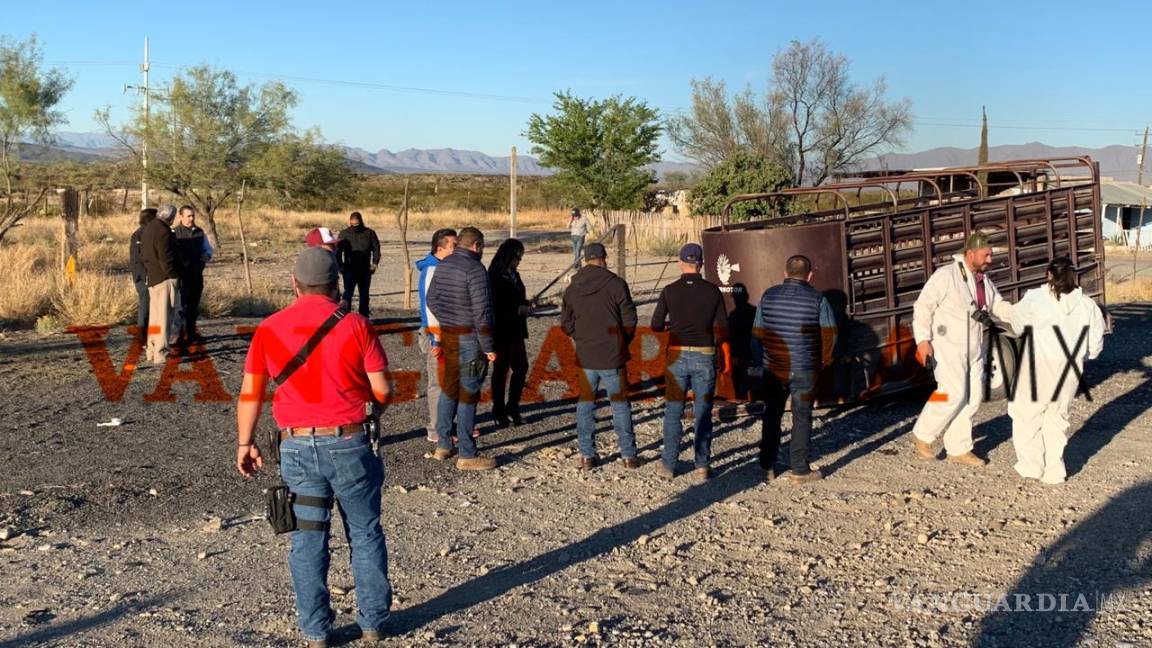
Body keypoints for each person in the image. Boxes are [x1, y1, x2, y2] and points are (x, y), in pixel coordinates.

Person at [235, 247, 393, 647]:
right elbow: (383, 389)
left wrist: (245, 442)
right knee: (365, 531)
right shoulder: (356, 324)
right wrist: (371, 411)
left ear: (294, 284)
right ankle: (372, 623)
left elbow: (251, 394)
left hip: (297, 448)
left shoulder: (269, 328)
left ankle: (316, 631)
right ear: (337, 285)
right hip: (349, 442)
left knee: (307, 538)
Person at [1000, 257, 1105, 484]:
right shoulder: (1088, 305)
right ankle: (1054, 471)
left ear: (1048, 275)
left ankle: (1031, 466)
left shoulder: (1035, 298)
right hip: (1069, 369)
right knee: (1057, 418)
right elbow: (1095, 346)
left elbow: (1018, 326)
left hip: (1037, 365)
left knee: (1027, 415)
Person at [911, 231, 1004, 467]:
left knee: (973, 398)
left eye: (991, 255)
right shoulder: (946, 275)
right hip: (946, 346)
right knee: (950, 392)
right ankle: (923, 434)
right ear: (970, 253)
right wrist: (923, 340)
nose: (990, 260)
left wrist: (1023, 316)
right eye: (986, 255)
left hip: (973, 347)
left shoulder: (983, 279)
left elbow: (996, 305)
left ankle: (958, 447)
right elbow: (923, 306)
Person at [750, 255, 838, 484]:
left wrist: (758, 362)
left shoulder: (768, 295)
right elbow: (829, 335)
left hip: (774, 368)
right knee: (802, 416)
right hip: (805, 369)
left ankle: (767, 466)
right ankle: (799, 470)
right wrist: (822, 362)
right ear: (810, 275)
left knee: (772, 414)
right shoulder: (818, 299)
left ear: (785, 274)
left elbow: (757, 333)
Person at [650, 243, 730, 480]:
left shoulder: (669, 290)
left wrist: (670, 326)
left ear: (680, 262)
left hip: (676, 354)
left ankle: (668, 465)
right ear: (701, 264)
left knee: (674, 411)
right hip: (705, 353)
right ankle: (702, 465)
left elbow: (655, 325)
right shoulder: (712, 291)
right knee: (703, 412)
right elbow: (723, 328)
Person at [561, 242, 638, 470]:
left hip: (586, 354)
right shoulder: (616, 284)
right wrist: (622, 342)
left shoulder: (572, 288)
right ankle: (628, 456)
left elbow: (566, 324)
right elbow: (630, 320)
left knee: (585, 404)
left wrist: (580, 338)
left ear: (585, 260)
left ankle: (586, 455)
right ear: (604, 258)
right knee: (620, 404)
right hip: (613, 354)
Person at [427, 226, 498, 471]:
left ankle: (443, 444)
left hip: (449, 335)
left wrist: (448, 320)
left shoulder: (443, 264)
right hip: (470, 338)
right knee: (468, 393)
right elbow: (482, 313)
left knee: (449, 388)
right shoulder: (476, 270)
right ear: (476, 246)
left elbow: (431, 299)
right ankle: (467, 453)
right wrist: (489, 346)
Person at [415, 228, 457, 442]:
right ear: (440, 248)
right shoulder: (433, 271)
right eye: (453, 246)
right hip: (436, 333)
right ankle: (436, 430)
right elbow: (432, 309)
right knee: (438, 383)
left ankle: (446, 425)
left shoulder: (442, 268)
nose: (457, 249)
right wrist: (437, 339)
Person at [488, 238, 531, 429]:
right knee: (501, 372)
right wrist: (516, 310)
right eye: (518, 257)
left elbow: (518, 298)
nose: (519, 261)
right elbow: (494, 306)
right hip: (502, 331)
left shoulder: (514, 274)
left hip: (517, 330)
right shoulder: (494, 276)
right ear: (508, 256)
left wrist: (527, 304)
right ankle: (498, 410)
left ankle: (512, 406)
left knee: (521, 368)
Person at [140, 204, 182, 365]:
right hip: (164, 279)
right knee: (164, 318)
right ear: (171, 218)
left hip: (153, 278)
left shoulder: (149, 228)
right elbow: (165, 256)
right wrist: (173, 274)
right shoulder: (163, 231)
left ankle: (151, 350)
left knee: (155, 319)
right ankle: (161, 353)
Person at [172, 205, 213, 343]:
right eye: (188, 216)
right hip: (182, 276)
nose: (191, 218)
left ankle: (191, 334)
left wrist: (204, 258)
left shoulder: (199, 232)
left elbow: (208, 250)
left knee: (193, 306)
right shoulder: (174, 233)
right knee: (179, 306)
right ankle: (176, 334)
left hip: (196, 275)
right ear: (181, 217)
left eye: (193, 215)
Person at [337, 211, 381, 317]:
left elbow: (376, 248)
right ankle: (345, 318)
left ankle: (364, 318)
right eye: (353, 223)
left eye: (357, 223)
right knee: (347, 294)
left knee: (364, 295)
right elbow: (338, 251)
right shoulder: (344, 233)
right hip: (349, 269)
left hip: (365, 269)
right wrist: (340, 266)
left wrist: (375, 263)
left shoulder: (369, 233)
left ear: (361, 221)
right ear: (350, 221)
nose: (355, 225)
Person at [129, 208, 155, 341]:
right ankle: (142, 336)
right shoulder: (143, 234)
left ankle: (147, 335)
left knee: (147, 305)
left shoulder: (137, 233)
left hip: (139, 276)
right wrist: (146, 277)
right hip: (144, 276)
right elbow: (141, 258)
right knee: (146, 306)